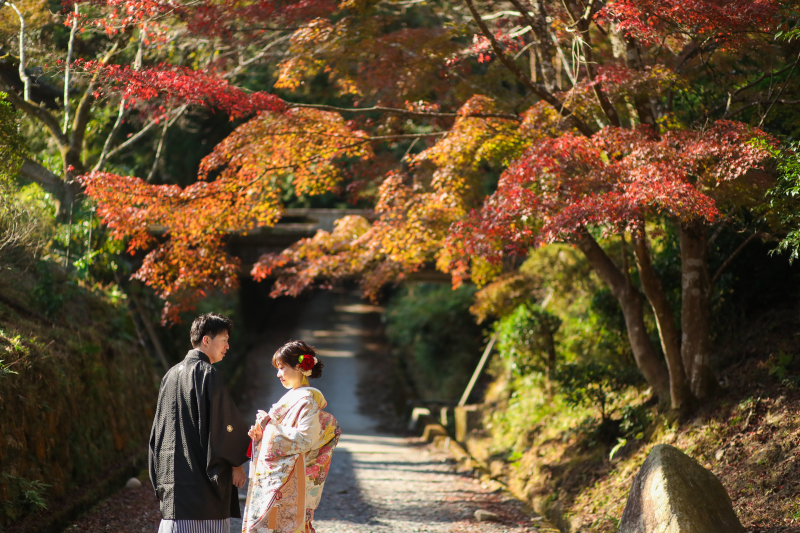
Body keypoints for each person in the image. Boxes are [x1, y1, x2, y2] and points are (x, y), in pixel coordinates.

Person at [149, 313, 250, 533]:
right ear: (206, 340)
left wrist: (158, 476)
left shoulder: (170, 375)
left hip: (172, 487)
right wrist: (236, 463)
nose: (228, 346)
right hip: (202, 492)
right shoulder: (208, 374)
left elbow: (158, 431)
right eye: (224, 340)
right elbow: (224, 425)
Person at [242, 340, 341, 533]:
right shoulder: (294, 397)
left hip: (291, 480)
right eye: (277, 369)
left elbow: (306, 439)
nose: (278, 374)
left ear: (299, 367)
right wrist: (261, 435)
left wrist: (270, 427)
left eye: (282, 368)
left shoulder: (307, 400)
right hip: (281, 478)